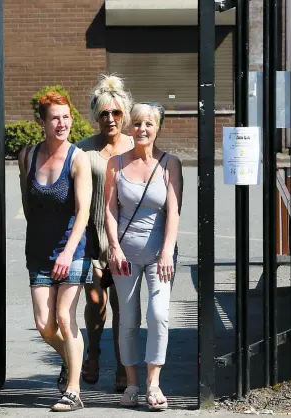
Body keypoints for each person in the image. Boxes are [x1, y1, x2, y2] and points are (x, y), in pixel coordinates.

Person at [104, 102, 183, 410]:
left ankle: (154, 383)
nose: (142, 129)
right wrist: (114, 247)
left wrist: (167, 251)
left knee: (159, 314)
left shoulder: (170, 163)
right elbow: (110, 209)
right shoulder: (116, 165)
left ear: (157, 128)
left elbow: (174, 210)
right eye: (137, 124)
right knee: (128, 319)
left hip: (159, 256)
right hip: (125, 254)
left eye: (148, 124)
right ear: (130, 127)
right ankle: (132, 383)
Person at [18, 91, 93, 412]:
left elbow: (84, 211)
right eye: (54, 118)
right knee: (44, 324)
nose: (61, 123)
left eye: (66, 117)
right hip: (38, 249)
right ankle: (72, 358)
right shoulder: (28, 156)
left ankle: (73, 390)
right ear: (42, 122)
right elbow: (27, 201)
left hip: (71, 250)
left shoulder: (78, 159)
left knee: (64, 317)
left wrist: (68, 252)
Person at [76, 74, 133, 391]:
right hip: (92, 242)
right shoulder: (82, 151)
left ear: (125, 114)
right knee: (95, 304)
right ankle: (93, 354)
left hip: (128, 244)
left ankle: (123, 366)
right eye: (103, 114)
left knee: (123, 308)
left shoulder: (137, 148)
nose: (110, 119)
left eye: (116, 113)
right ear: (95, 116)